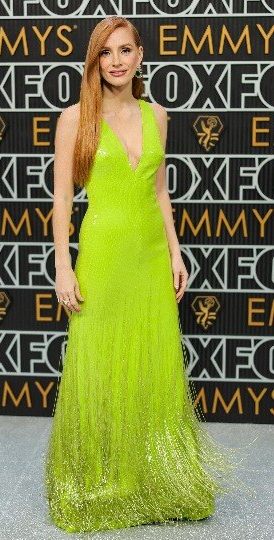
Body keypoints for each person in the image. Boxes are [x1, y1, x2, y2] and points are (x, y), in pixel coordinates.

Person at [45, 16, 229, 532]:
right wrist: (63, 264)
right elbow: (62, 198)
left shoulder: (159, 116)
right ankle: (102, 480)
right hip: (102, 254)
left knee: (151, 363)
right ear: (95, 61)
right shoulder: (74, 118)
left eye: (126, 50)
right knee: (100, 366)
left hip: (149, 256)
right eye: (107, 53)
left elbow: (160, 192)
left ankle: (155, 479)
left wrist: (175, 252)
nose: (117, 61)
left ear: (141, 55)